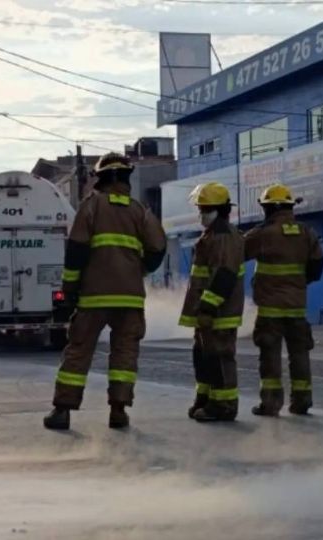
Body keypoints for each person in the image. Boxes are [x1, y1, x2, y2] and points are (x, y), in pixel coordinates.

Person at [43, 152, 167, 431]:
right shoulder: (140, 211)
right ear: (124, 178)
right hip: (131, 297)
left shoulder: (91, 207)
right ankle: (119, 411)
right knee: (125, 354)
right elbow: (158, 248)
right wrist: (140, 270)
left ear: (102, 178)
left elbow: (75, 251)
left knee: (79, 351)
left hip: (94, 296)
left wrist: (70, 290)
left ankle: (62, 411)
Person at [244, 184, 323, 416]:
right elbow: (317, 267)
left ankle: (270, 403)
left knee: (270, 356)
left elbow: (236, 254)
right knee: (299, 355)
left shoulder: (262, 234)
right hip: (297, 308)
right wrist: (298, 285)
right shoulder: (306, 232)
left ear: (269, 208)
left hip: (270, 311)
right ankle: (302, 401)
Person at [178, 182, 245, 423]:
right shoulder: (213, 234)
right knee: (204, 356)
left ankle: (224, 405)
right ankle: (206, 399)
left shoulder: (224, 236)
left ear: (219, 209)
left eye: (205, 209)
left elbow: (224, 276)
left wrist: (207, 307)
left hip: (218, 312)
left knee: (219, 357)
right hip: (208, 313)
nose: (201, 214)